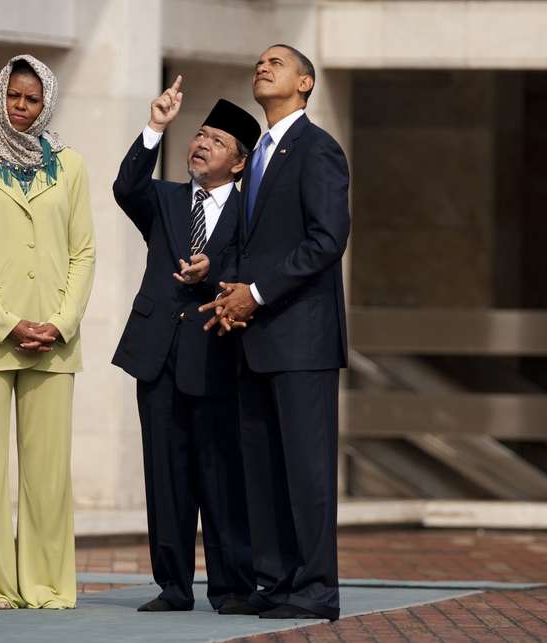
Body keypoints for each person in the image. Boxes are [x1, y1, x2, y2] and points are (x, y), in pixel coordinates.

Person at [201, 44, 350, 621]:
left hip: (303, 340)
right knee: (262, 469)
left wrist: (256, 293)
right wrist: (227, 288)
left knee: (307, 471)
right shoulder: (258, 154)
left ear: (305, 83)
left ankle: (315, 590)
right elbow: (249, 240)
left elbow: (326, 239)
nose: (262, 67)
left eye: (278, 64)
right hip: (254, 337)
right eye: (259, 62)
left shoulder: (318, 149)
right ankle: (278, 582)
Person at [0, 54, 95, 610]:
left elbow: (83, 251)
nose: (22, 109)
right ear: (1, 96)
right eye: (14, 97)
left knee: (48, 475)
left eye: (32, 100)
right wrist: (8, 325)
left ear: (46, 101)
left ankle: (47, 584)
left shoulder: (72, 166)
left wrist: (59, 323)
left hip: (54, 344)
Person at [112, 76, 260, 614]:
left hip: (218, 356)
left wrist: (213, 270)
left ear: (239, 162)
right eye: (199, 134)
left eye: (217, 141)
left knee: (222, 475)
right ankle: (172, 586)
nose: (201, 144)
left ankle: (232, 587)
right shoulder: (166, 199)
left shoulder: (252, 212)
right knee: (166, 474)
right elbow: (125, 187)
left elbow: (256, 272)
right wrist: (156, 125)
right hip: (158, 355)